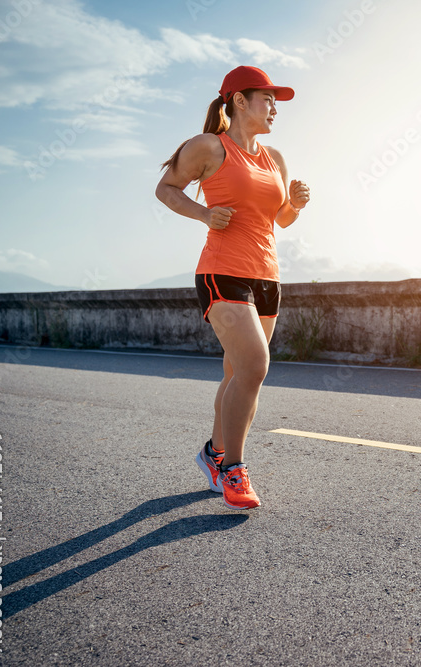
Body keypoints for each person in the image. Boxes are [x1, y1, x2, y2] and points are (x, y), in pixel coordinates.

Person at [155, 66, 310, 509]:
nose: (274, 106)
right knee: (255, 367)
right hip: (222, 271)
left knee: (236, 373)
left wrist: (294, 205)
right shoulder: (208, 147)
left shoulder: (274, 158)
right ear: (239, 100)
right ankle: (233, 471)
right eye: (267, 98)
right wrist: (204, 215)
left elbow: (278, 220)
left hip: (267, 276)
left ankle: (212, 453)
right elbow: (166, 189)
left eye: (276, 100)